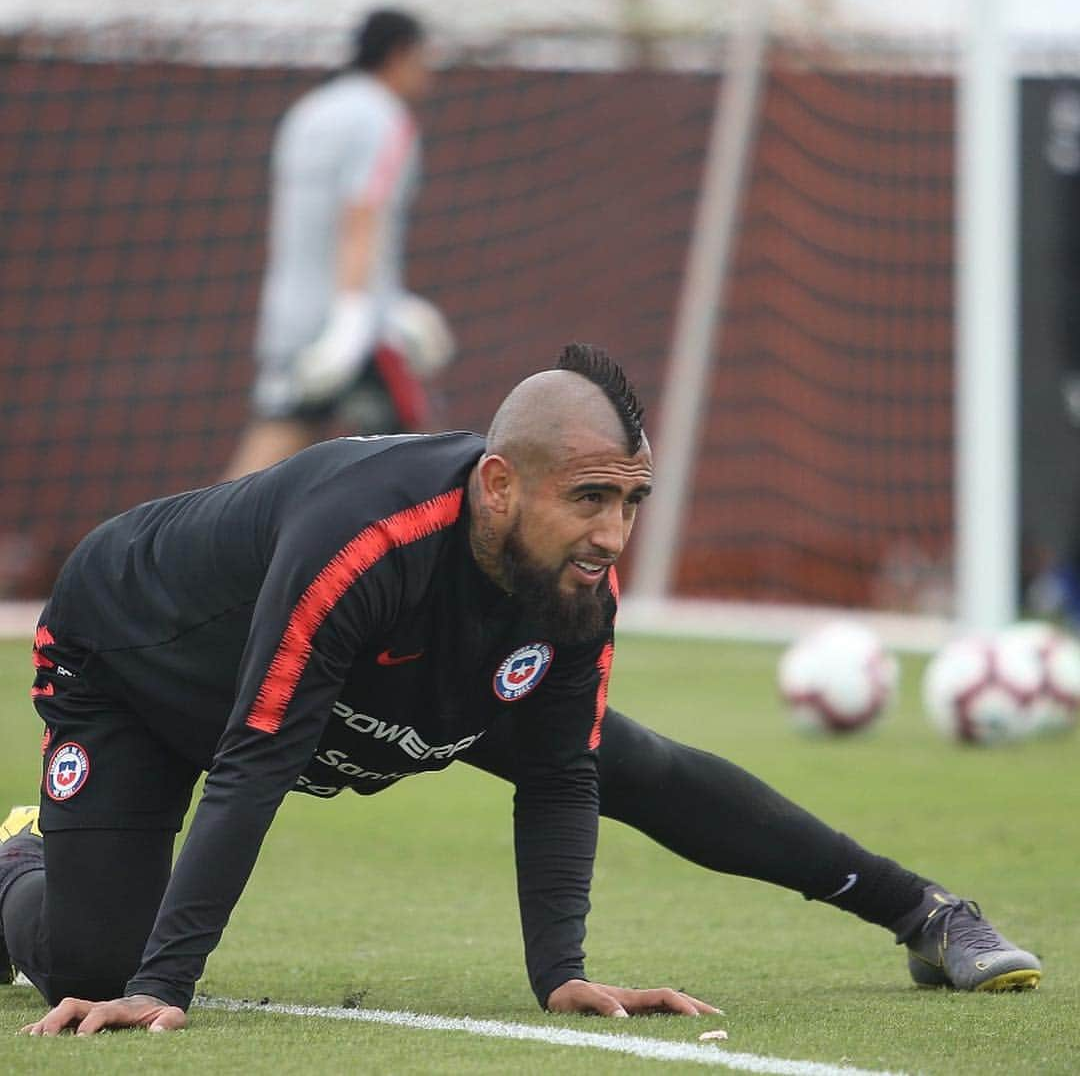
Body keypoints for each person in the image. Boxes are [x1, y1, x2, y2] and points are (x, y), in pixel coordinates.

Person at [1, 346, 1039, 1038]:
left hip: (364, 679)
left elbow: (556, 776)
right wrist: (162, 986)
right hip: (139, 662)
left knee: (623, 757)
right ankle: (22, 856)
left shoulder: (570, 576)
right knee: (89, 966)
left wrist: (562, 971)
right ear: (499, 484)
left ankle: (928, 912)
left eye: (632, 500)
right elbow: (258, 756)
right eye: (590, 497)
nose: (613, 533)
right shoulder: (363, 541)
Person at [222, 8, 448, 481]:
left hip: (291, 314)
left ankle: (196, 550)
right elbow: (361, 215)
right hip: (357, 330)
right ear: (400, 54)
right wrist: (353, 314)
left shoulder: (310, 112)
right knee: (426, 460)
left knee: (274, 442)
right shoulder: (383, 118)